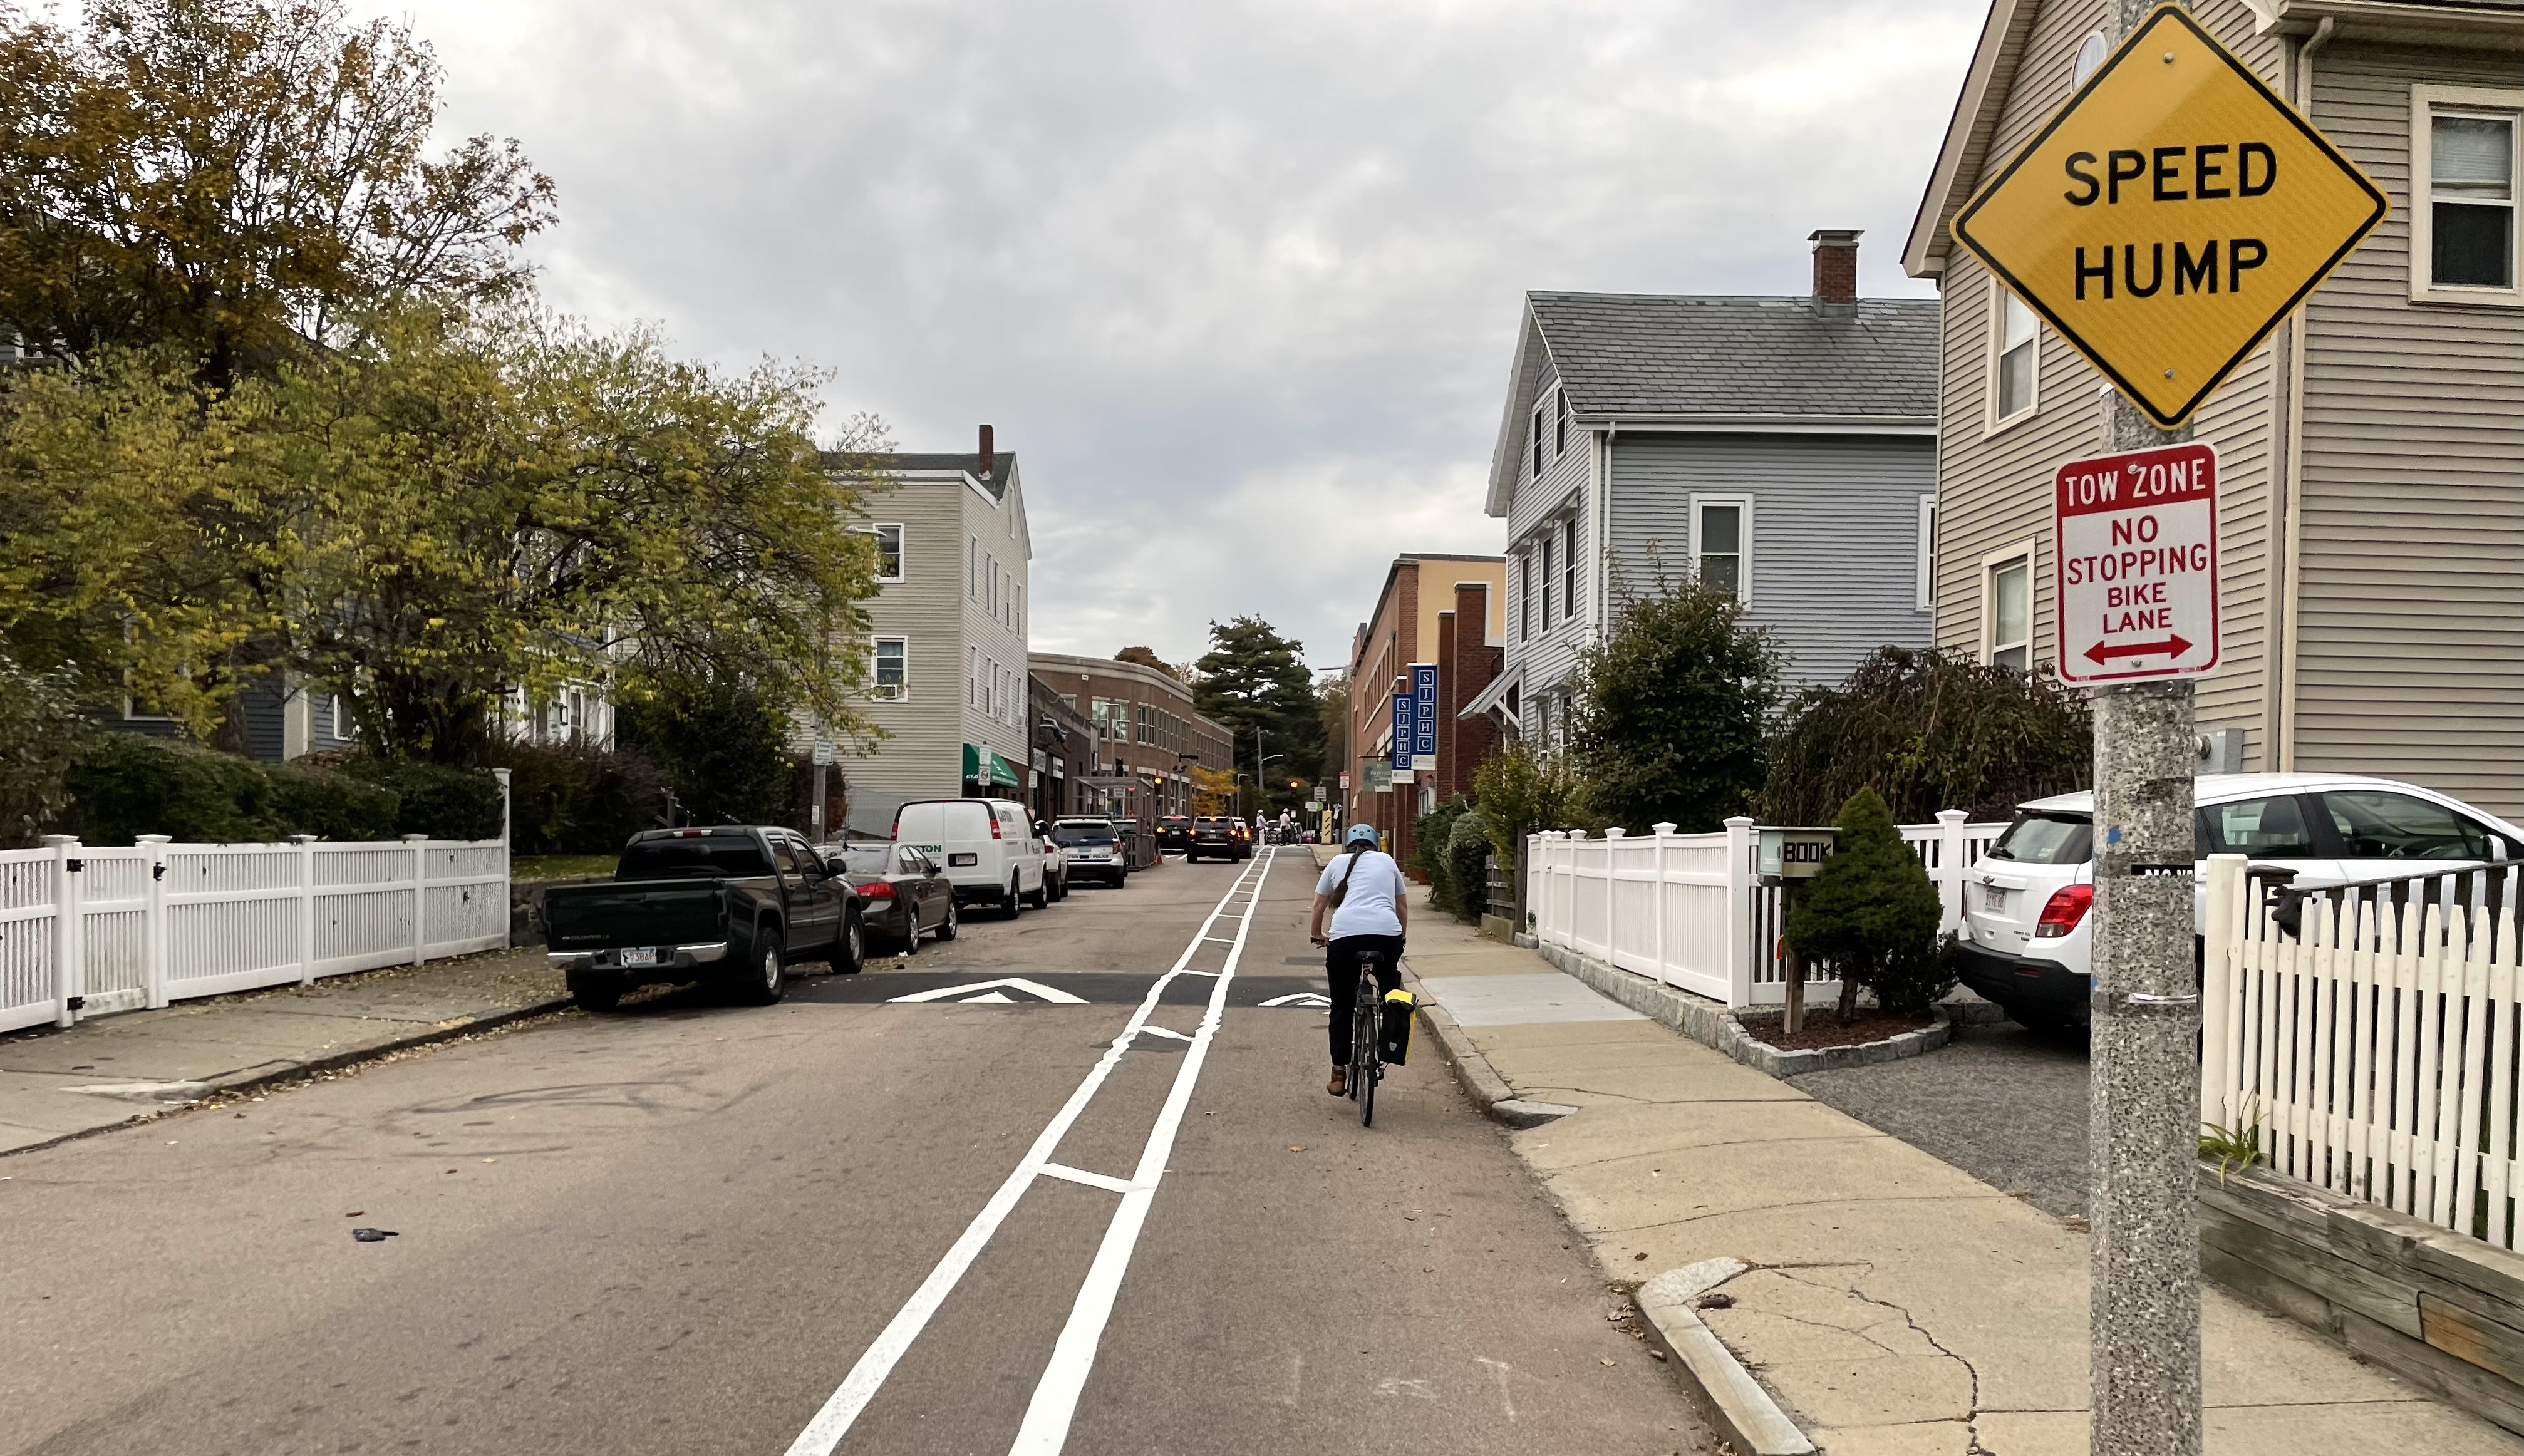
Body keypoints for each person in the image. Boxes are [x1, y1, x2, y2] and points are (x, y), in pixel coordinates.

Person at [1309, 823, 1407, 1097]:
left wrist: (1317, 934)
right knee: (1392, 992)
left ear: (1347, 844)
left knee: (1341, 1007)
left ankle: (1339, 1073)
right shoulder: (1387, 861)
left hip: (1344, 939)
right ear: (1376, 844)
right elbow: (1401, 906)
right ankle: (1389, 1043)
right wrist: (1400, 939)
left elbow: (1319, 905)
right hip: (1385, 937)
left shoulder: (1337, 863)